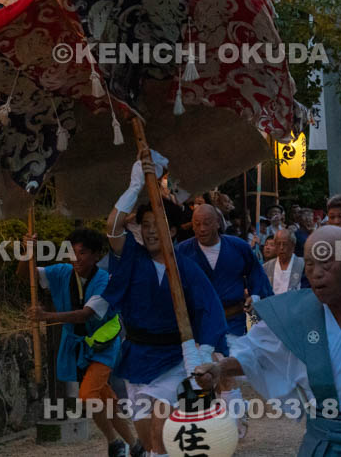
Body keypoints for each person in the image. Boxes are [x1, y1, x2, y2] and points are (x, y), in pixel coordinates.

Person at [194, 225, 341, 456]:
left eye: (326, 263)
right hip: (322, 442)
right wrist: (219, 368)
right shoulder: (296, 311)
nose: (316, 274)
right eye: (309, 265)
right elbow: (255, 353)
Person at [104, 156, 229, 457]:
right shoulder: (131, 258)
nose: (149, 231)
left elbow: (209, 308)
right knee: (148, 441)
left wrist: (205, 349)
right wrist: (136, 184)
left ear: (172, 231)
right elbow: (112, 226)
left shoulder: (186, 268)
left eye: (157, 225)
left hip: (174, 358)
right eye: (145, 225)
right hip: (137, 358)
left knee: (162, 429)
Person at [28, 229, 138, 457]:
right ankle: (135, 446)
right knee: (105, 400)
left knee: (88, 396)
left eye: (83, 253)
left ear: (96, 255)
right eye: (72, 252)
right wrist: (28, 251)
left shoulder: (105, 280)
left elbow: (85, 314)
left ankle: (114, 442)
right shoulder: (61, 272)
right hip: (78, 345)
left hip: (104, 344)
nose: (76, 258)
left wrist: (47, 317)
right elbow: (26, 275)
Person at [176, 203, 272, 437]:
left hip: (233, 318)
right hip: (200, 323)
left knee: (225, 371)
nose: (201, 228)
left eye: (207, 223)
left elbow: (256, 275)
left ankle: (234, 421)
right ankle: (232, 420)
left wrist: (256, 297)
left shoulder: (238, 247)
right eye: (196, 224)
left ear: (218, 223)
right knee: (210, 371)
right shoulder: (182, 252)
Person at [263, 228, 304, 295]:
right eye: (278, 244)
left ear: (293, 246)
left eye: (285, 244)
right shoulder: (266, 267)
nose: (281, 247)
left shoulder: (303, 264)